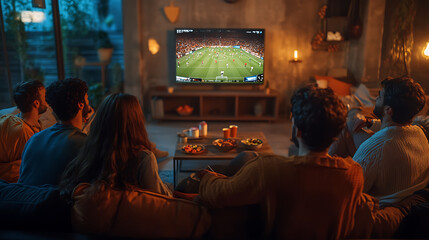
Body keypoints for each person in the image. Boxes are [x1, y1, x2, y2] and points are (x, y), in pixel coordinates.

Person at [197, 84, 364, 239]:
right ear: (336, 134)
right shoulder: (354, 174)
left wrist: (206, 178)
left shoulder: (268, 169)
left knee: (244, 160)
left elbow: (219, 195)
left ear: (297, 131)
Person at [60, 93, 171, 198]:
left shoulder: (89, 150)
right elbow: (163, 199)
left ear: (101, 121)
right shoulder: (143, 158)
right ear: (136, 121)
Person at [352, 76, 429, 206]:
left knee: (350, 121)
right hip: (408, 203)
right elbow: (395, 128)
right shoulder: (420, 134)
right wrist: (370, 122)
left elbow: (349, 192)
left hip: (379, 211)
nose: (376, 98)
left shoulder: (376, 147)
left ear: (388, 110)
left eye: (380, 97)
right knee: (351, 125)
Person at [18, 78, 91, 185]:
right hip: (56, 201)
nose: (88, 102)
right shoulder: (85, 144)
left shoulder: (34, 139)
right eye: (87, 98)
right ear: (80, 105)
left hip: (24, 199)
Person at [0, 80, 47, 182]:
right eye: (45, 96)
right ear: (36, 103)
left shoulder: (8, 119)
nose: (47, 100)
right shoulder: (23, 133)